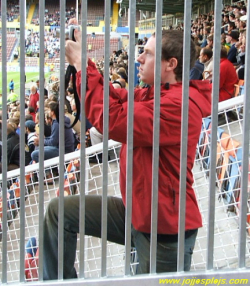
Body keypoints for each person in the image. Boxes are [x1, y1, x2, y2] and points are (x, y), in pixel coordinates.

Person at [43, 28, 212, 280]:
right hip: (138, 213)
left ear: (170, 64)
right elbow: (115, 97)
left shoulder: (178, 105)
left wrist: (80, 65)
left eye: (147, 53)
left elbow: (113, 118)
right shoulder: (155, 94)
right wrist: (85, 63)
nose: (139, 58)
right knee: (60, 212)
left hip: (163, 229)